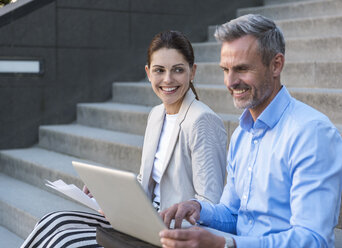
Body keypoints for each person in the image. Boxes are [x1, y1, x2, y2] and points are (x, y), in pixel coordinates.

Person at [21, 30, 227, 248]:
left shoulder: (202, 120)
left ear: (192, 72)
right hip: (142, 220)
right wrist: (110, 194)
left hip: (171, 231)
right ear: (148, 73)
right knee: (52, 222)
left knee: (66, 242)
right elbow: (146, 182)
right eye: (159, 70)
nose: (167, 79)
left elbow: (209, 203)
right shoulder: (157, 114)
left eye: (178, 70)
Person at [159, 14, 342, 248]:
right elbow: (234, 215)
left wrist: (226, 244)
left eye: (242, 69)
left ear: (276, 65)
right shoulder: (242, 134)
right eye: (225, 70)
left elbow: (312, 239)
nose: (230, 82)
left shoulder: (312, 134)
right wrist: (199, 209)